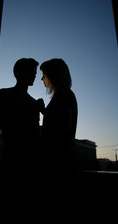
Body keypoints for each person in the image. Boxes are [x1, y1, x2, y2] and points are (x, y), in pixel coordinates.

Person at [0, 58, 44, 222]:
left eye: (35, 73)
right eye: (31, 72)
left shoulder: (33, 101)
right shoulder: (4, 94)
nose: (34, 76)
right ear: (18, 73)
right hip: (13, 161)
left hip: (34, 164)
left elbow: (37, 132)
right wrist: (28, 113)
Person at [40, 58, 80, 223]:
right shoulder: (64, 94)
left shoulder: (63, 94)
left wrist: (42, 111)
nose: (41, 79)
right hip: (63, 161)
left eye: (44, 74)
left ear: (53, 75)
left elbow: (64, 125)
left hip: (62, 163)